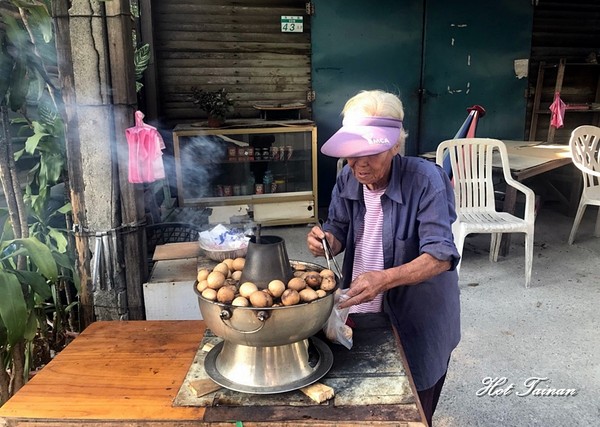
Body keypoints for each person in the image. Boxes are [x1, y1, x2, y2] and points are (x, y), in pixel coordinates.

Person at [307, 90, 460, 426]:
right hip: (361, 305)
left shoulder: (426, 180)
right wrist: (325, 242)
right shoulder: (348, 176)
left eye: (372, 152)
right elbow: (337, 230)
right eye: (352, 153)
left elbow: (441, 256)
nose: (360, 163)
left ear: (395, 145)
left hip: (418, 315)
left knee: (411, 409)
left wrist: (384, 278)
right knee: (363, 400)